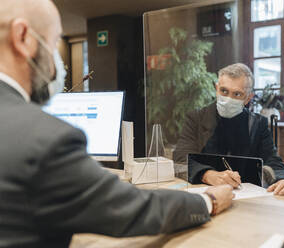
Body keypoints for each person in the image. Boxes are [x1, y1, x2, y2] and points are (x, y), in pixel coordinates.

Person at [0, 0, 234, 247]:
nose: (56, 61)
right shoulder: (44, 138)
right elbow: (131, 210)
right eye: (52, 42)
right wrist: (209, 201)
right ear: (23, 37)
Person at [174, 63, 284, 196]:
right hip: (204, 194)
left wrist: (282, 180)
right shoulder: (196, 118)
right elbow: (181, 159)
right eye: (224, 91)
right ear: (216, 89)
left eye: (237, 94)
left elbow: (273, 161)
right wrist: (208, 174)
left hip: (246, 196)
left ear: (248, 98)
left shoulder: (258, 124)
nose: (228, 99)